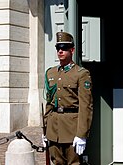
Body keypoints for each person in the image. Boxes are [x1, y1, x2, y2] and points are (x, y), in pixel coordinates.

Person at [42, 31, 93, 165]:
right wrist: (46, 129)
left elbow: (86, 106)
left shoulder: (81, 74)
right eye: (58, 48)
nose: (60, 51)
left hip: (72, 129)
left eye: (64, 48)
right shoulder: (51, 73)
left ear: (72, 50)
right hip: (54, 129)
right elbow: (49, 103)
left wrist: (82, 134)